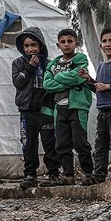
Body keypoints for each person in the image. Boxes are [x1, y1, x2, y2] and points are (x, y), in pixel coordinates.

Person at [78, 26, 111, 186]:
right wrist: (90, 80)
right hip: (103, 113)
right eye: (104, 41)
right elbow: (98, 88)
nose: (108, 44)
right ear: (100, 45)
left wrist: (108, 86)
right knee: (100, 146)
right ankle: (99, 175)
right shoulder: (102, 65)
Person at [12, 27, 60, 189]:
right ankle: (30, 174)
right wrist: (30, 67)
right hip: (27, 111)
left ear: (41, 46)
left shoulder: (49, 64)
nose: (30, 49)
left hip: (46, 110)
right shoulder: (18, 63)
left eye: (33, 45)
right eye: (26, 46)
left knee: (49, 142)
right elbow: (18, 82)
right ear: (22, 48)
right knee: (28, 143)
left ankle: (53, 173)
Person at [44, 28, 94, 185]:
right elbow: (47, 84)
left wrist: (58, 77)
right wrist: (67, 81)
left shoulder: (80, 59)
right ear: (58, 45)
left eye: (70, 41)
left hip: (77, 107)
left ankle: (89, 174)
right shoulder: (53, 63)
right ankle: (68, 176)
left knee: (80, 142)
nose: (66, 44)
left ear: (76, 43)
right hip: (59, 109)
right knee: (61, 143)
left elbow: (78, 76)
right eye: (63, 42)